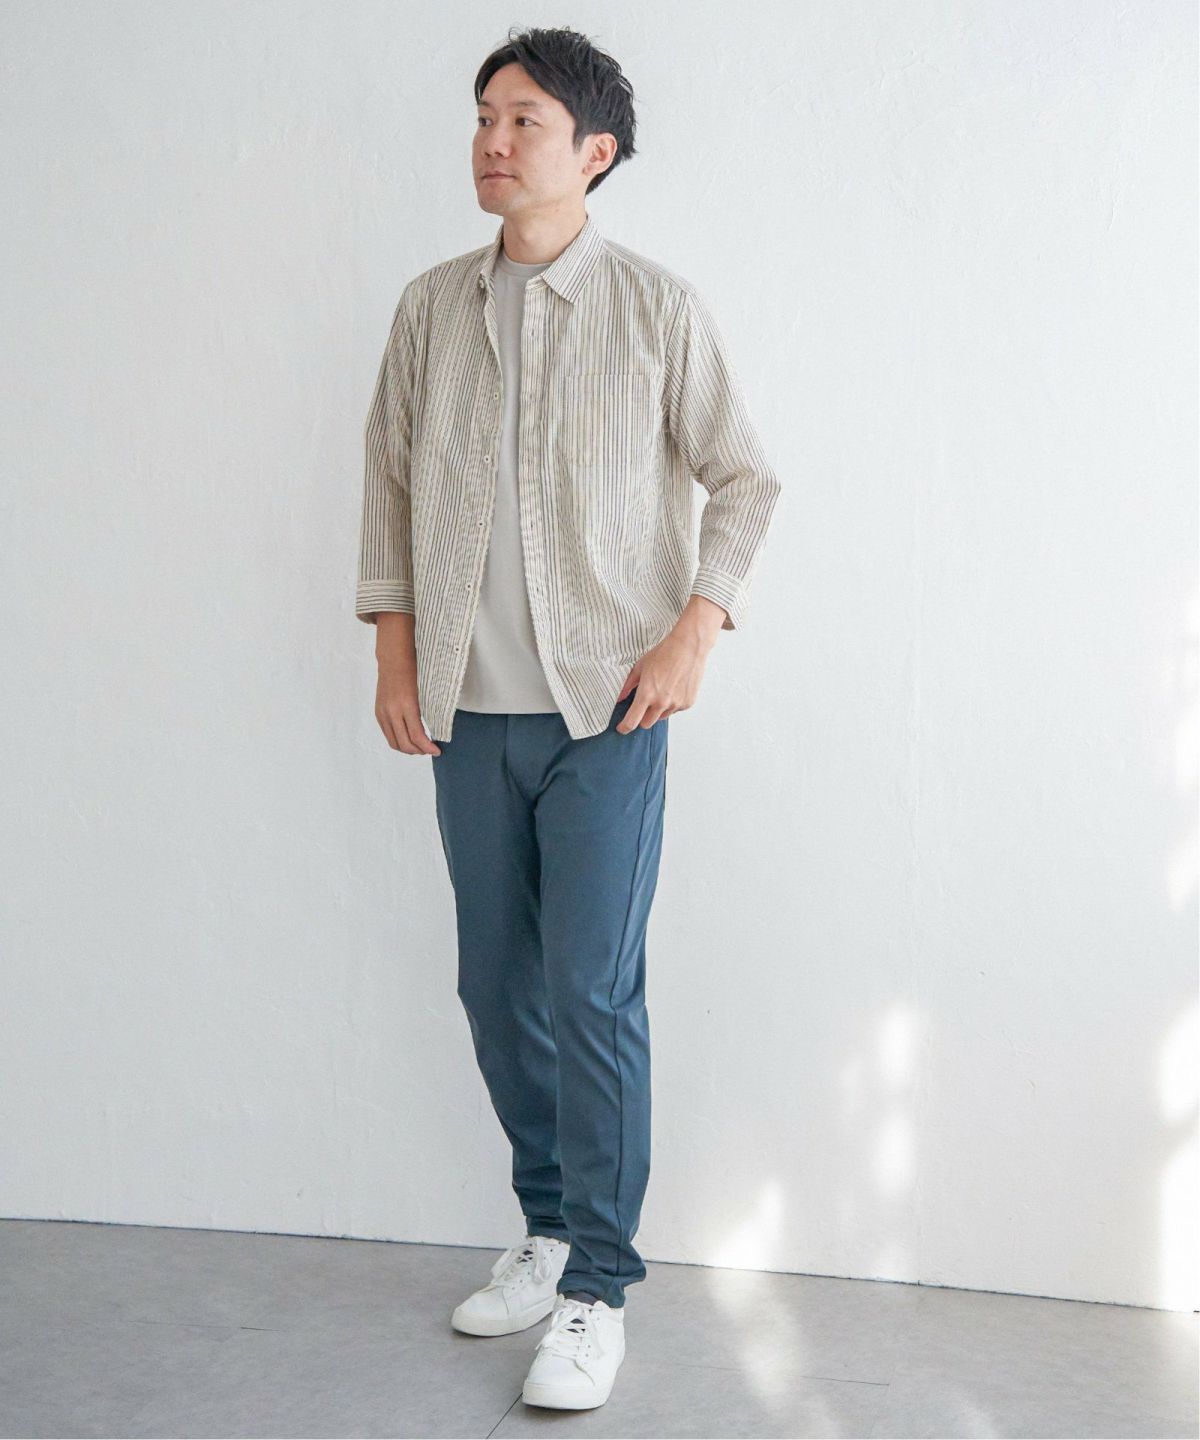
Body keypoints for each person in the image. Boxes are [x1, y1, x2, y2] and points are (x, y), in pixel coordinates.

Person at [355, 24, 781, 1412]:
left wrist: (696, 631)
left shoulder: (656, 310)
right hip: (466, 715)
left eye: (524, 119)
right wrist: (395, 654)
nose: (493, 140)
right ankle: (546, 1226)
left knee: (590, 993)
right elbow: (390, 484)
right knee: (495, 987)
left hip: (609, 715)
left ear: (595, 152)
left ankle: (598, 1285)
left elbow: (745, 478)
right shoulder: (432, 308)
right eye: (485, 115)